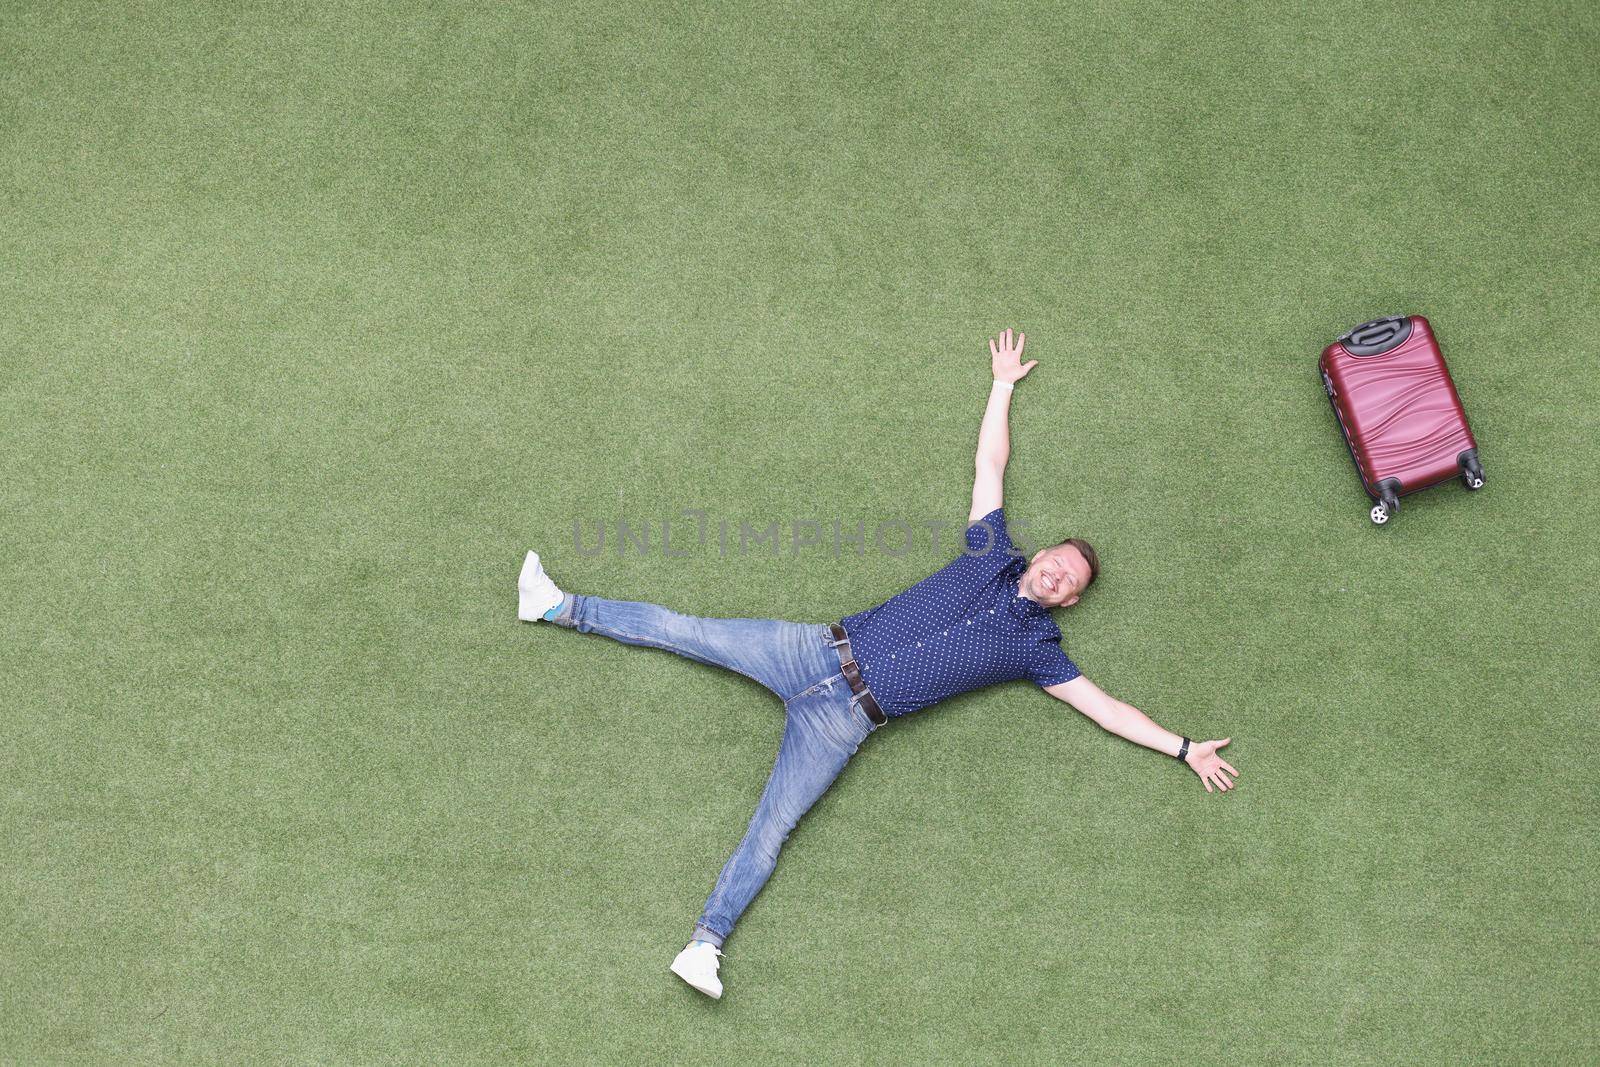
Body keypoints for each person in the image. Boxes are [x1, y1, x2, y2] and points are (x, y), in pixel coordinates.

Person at [517, 328, 1238, 999]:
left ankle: (704, 945)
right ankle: (556, 605)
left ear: (1071, 601)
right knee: (686, 628)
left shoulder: (1037, 651)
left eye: (1069, 581)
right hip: (812, 648)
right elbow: (990, 463)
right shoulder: (988, 549)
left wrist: (1182, 747)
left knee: (770, 829)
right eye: (1058, 561)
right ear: (1041, 554)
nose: (1056, 575)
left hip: (844, 722)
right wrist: (1002, 386)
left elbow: (1106, 707)